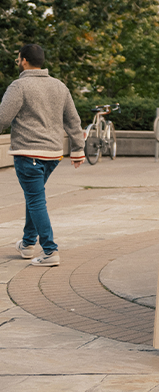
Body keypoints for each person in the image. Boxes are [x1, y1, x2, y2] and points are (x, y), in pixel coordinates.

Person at [0, 44, 85, 266]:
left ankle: (50, 251)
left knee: (36, 199)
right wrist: (78, 149)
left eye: (19, 58)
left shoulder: (19, 86)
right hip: (53, 155)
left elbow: (2, 118)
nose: (18, 62)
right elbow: (73, 120)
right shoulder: (59, 86)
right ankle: (28, 245)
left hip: (29, 153)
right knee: (34, 197)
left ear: (24, 60)